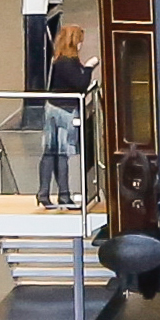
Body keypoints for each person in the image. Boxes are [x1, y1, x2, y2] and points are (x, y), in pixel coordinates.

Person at [37, 24, 95, 207]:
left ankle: (44, 193)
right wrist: (89, 68)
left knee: (49, 152)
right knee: (62, 154)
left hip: (52, 109)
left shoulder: (58, 61)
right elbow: (81, 85)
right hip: (66, 111)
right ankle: (63, 195)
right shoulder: (69, 63)